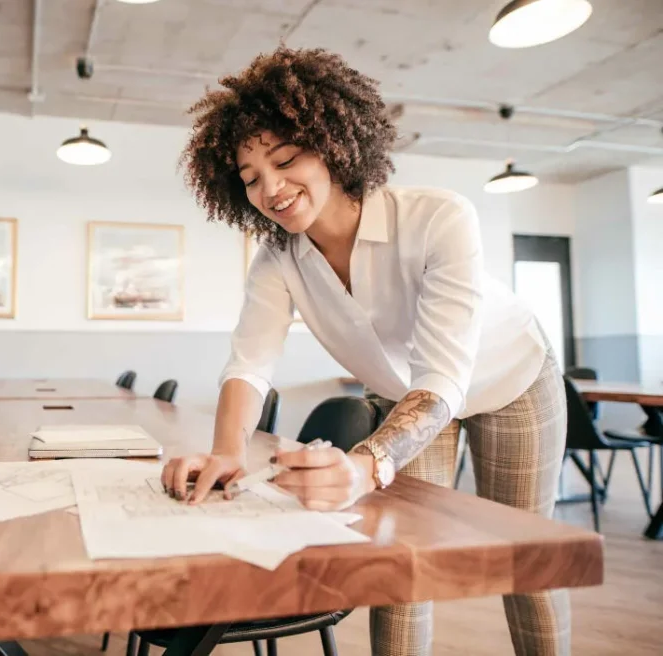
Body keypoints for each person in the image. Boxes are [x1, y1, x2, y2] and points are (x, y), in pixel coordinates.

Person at [160, 46, 569, 656]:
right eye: (249, 179)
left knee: (527, 561)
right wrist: (226, 453)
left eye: (286, 159)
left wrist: (364, 465)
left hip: (510, 378)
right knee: (399, 566)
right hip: (408, 398)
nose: (270, 188)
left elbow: (443, 377)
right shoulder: (278, 262)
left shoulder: (438, 218)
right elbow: (250, 363)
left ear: (330, 143)